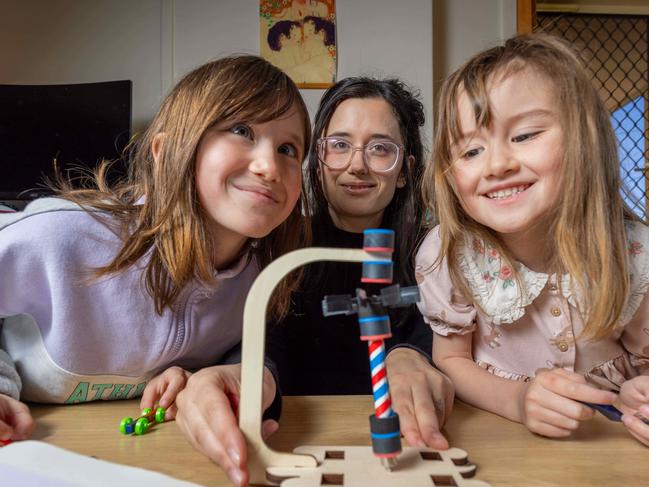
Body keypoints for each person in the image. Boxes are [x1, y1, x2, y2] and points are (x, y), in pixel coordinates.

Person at [0, 55, 311, 443]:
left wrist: (196, 376)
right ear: (165, 152)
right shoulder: (61, 236)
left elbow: (245, 348)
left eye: (288, 149)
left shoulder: (261, 279)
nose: (269, 165)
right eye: (241, 129)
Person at [175, 77, 455, 487]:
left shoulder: (433, 255)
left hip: (404, 458)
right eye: (339, 145)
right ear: (317, 160)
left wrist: (414, 355)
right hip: (297, 450)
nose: (356, 165)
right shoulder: (274, 248)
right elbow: (265, 348)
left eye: (380, 149)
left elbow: (458, 342)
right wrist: (247, 377)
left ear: (403, 172)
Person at [416, 33, 649, 446]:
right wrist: (520, 400)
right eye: (470, 152)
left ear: (586, 140)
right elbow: (450, 359)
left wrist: (639, 395)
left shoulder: (636, 256)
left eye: (524, 136)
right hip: (501, 447)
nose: (497, 165)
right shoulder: (450, 256)